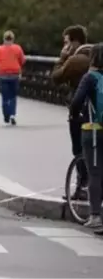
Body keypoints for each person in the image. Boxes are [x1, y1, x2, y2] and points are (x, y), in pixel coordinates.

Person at [52, 25, 93, 201]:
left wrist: (62, 58)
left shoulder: (75, 60)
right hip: (97, 110)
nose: (64, 45)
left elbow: (56, 77)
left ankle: (82, 187)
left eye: (66, 41)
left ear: (74, 41)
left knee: (79, 149)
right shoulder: (94, 56)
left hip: (81, 111)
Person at [69, 42, 103, 232]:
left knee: (95, 173)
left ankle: (96, 216)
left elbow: (76, 102)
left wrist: (75, 116)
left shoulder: (90, 78)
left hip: (94, 131)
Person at [0, 30, 25, 125]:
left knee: (5, 96)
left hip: (3, 75)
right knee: (13, 96)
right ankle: (12, 115)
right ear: (13, 39)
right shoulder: (18, 48)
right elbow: (22, 60)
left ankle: (6, 114)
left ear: (4, 39)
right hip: (15, 74)